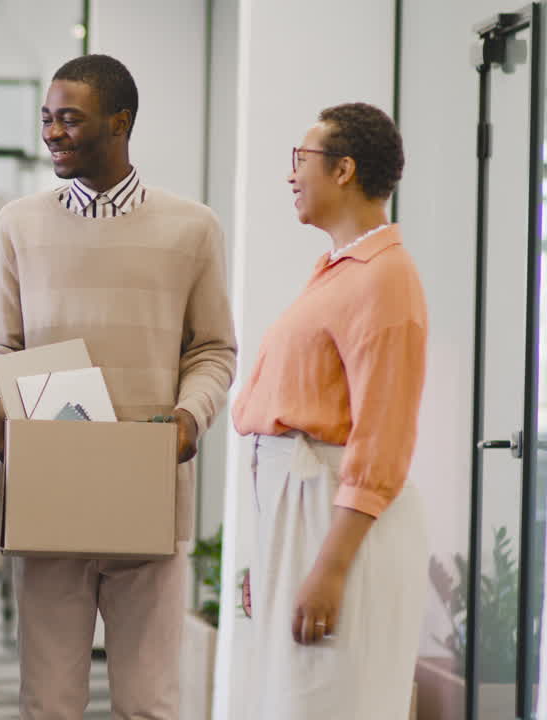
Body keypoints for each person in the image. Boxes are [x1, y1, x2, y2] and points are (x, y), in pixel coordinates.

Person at [0, 54, 237, 718]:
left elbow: (213, 350)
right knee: (49, 702)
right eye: (47, 119)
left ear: (119, 124)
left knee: (149, 702)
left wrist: (190, 417)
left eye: (71, 119)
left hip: (146, 498)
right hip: (49, 497)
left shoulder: (192, 228)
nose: (54, 133)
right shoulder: (19, 225)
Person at [232, 102, 427, 720]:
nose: (291, 175)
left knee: (323, 701)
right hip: (303, 511)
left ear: (343, 170)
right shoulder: (340, 270)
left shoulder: (383, 277)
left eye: (302, 159)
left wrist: (331, 567)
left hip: (336, 522)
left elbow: (384, 436)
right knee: (290, 698)